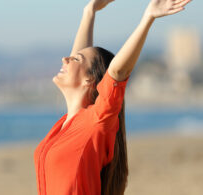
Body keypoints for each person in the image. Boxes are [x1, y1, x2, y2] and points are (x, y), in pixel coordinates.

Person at [33, 0, 192, 194]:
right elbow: (84, 62)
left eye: (74, 59)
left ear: (89, 80)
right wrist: (89, 11)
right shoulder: (65, 125)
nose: (65, 59)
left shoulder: (97, 121)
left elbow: (117, 71)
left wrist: (147, 18)